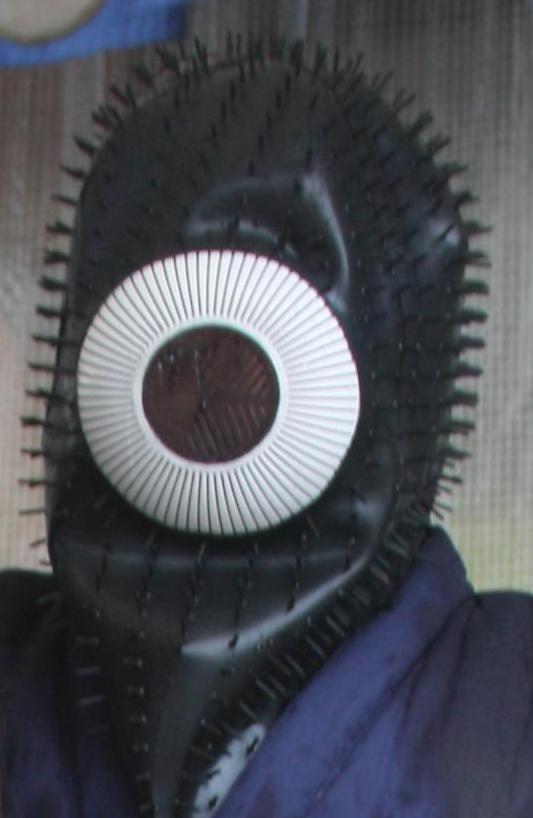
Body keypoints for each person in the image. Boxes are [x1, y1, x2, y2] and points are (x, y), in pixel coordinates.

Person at [2, 39, 532, 818]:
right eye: (181, 362)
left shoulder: (506, 701)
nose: (210, 386)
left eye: (239, 360)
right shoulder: (13, 675)